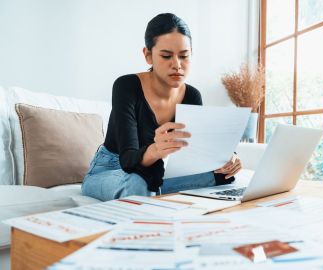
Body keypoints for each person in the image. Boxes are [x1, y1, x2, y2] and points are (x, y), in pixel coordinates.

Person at [82, 13, 242, 201]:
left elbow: (197, 152)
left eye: (184, 56)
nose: (177, 65)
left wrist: (226, 158)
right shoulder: (126, 86)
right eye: (166, 56)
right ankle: (151, 189)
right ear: (148, 55)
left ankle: (154, 189)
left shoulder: (192, 95)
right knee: (139, 183)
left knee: (221, 176)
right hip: (110, 169)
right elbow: (127, 159)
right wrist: (156, 150)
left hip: (150, 172)